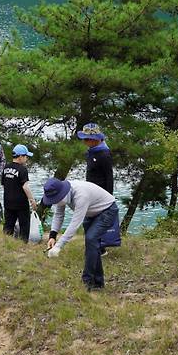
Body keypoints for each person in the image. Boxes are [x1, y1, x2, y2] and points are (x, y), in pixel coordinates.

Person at [44, 178, 118, 291]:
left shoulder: (81, 196)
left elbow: (75, 224)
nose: (55, 202)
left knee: (91, 239)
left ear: (62, 193)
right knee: (93, 245)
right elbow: (59, 215)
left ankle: (86, 282)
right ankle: (98, 283)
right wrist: (52, 236)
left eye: (56, 199)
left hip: (107, 210)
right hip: (91, 213)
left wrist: (59, 246)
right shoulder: (61, 193)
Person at [77, 123, 114, 255]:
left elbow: (109, 176)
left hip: (100, 193)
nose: (84, 141)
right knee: (88, 221)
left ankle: (99, 249)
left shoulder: (103, 153)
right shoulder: (92, 151)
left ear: (94, 139)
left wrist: (109, 196)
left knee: (93, 222)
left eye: (86, 139)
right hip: (90, 191)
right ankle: (95, 247)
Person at [1, 144, 37, 241]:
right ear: (20, 157)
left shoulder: (6, 168)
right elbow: (25, 187)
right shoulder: (22, 169)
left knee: (8, 224)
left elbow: (4, 185)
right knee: (24, 224)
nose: (26, 159)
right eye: (26, 156)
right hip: (21, 203)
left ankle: (6, 242)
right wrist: (32, 200)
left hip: (8, 201)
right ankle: (23, 243)